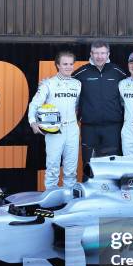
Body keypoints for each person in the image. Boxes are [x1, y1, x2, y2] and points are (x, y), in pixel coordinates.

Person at [28, 51, 81, 190]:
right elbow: (34, 104)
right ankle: (51, 201)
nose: (68, 67)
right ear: (57, 65)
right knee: (52, 168)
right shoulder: (48, 83)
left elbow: (79, 106)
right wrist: (33, 122)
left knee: (71, 169)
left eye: (71, 64)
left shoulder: (78, 84)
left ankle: (69, 201)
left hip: (73, 129)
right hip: (54, 130)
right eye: (65, 64)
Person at [72, 41, 126, 166]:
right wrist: (46, 82)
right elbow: (64, 85)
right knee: (88, 164)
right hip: (89, 127)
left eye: (103, 53)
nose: (99, 56)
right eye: (96, 53)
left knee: (112, 165)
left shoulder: (117, 72)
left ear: (108, 54)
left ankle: (111, 187)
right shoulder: (81, 73)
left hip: (112, 128)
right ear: (91, 54)